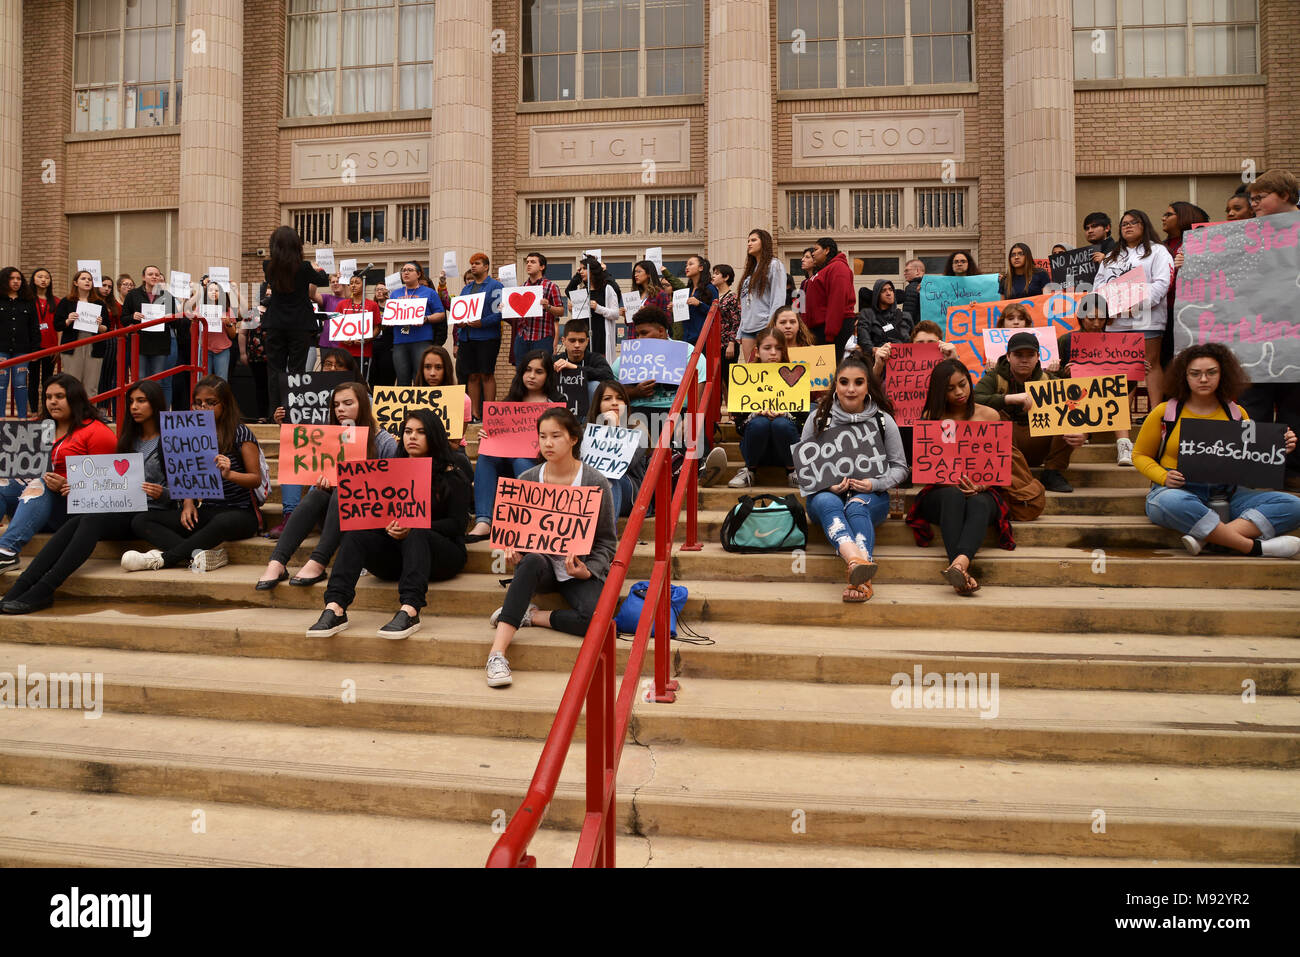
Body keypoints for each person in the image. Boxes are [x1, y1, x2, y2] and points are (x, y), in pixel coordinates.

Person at [1, 380, 174, 613]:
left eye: (141, 401)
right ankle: (19, 588)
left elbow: (186, 492)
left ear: (155, 404)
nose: (134, 406)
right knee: (77, 522)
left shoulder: (170, 440)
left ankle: (44, 589)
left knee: (90, 518)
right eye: (131, 401)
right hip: (123, 509)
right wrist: (80, 487)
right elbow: (108, 483)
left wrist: (162, 493)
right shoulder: (127, 440)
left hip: (153, 513)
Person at [307, 409, 472, 639]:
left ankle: (410, 610)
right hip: (395, 557)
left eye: (421, 432)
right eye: (408, 431)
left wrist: (414, 525)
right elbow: (372, 515)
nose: (412, 437)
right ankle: (335, 607)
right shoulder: (388, 472)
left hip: (442, 555)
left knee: (417, 528)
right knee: (355, 532)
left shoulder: (452, 474)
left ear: (433, 436)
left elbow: (457, 525)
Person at [485, 408, 618, 688]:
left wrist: (588, 571)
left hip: (577, 572)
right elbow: (515, 533)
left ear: (573, 439)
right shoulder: (528, 480)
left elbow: (607, 541)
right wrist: (512, 549)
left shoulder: (595, 482)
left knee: (598, 621)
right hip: (541, 568)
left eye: (556, 436)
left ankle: (530, 615)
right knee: (532, 560)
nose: (547, 443)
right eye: (542, 436)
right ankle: (497, 654)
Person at [1135, 343, 1300, 558]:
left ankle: (1205, 538)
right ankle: (1254, 547)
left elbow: (1251, 457)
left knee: (1293, 505)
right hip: (1178, 492)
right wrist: (1163, 476)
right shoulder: (1165, 412)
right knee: (1169, 503)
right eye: (1195, 374)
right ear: (1184, 377)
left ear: (1223, 375)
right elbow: (1139, 455)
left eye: (1211, 373)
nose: (1203, 379)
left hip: (1229, 494)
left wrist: (1279, 449)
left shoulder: (1237, 414)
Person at [257, 381, 400, 590]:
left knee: (344, 489)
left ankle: (318, 562)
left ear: (363, 405)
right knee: (317, 495)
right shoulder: (328, 438)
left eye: (348, 403)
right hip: (335, 516)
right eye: (336, 405)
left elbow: (394, 493)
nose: (340, 409)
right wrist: (323, 484)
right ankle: (277, 562)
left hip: (369, 520)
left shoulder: (384, 442)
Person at [122, 375, 262, 573]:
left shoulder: (240, 433)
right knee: (141, 521)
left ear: (225, 404)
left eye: (211, 403)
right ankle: (198, 555)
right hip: (207, 510)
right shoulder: (188, 434)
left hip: (240, 512)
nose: (203, 407)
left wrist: (230, 475)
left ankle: (164, 559)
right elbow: (185, 472)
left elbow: (256, 479)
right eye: (198, 403)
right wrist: (188, 502)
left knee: (221, 522)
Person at [798, 354, 909, 602]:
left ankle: (860, 574)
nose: (850, 389)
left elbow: (900, 468)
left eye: (858, 382)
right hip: (824, 499)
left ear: (868, 385)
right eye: (844, 382)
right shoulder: (818, 419)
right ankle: (857, 562)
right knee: (829, 502)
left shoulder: (883, 420)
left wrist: (875, 484)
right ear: (835, 385)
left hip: (871, 497)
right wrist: (827, 483)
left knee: (857, 506)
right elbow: (801, 471)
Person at [906, 359, 1013, 596]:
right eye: (951, 388)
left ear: (970, 380)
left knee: (978, 501)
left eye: (963, 384)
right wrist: (948, 479)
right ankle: (961, 567)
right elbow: (926, 469)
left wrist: (985, 482)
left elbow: (1001, 464)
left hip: (984, 493)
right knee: (953, 495)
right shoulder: (931, 418)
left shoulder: (991, 416)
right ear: (939, 392)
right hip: (942, 494)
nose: (959, 392)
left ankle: (958, 566)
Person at [0, 373, 117, 572]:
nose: (52, 402)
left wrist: (67, 485)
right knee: (4, 484)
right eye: (48, 397)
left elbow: (109, 486)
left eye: (59, 396)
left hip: (74, 513)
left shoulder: (98, 432)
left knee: (41, 482)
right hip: (34, 508)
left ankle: (7, 551)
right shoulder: (38, 428)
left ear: (75, 398)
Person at [610, 304, 726, 487]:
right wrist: (635, 391)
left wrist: (691, 416)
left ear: (662, 331)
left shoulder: (689, 353)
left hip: (678, 412)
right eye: (637, 334)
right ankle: (674, 470)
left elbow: (699, 388)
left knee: (690, 424)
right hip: (640, 414)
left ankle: (700, 467)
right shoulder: (626, 358)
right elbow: (611, 393)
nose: (639, 338)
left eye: (644, 333)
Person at [1238, 169, 1300, 490]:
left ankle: (1292, 471)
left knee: (1295, 407)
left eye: (1260, 198)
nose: (1254, 204)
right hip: (1255, 338)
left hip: (1295, 341)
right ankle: (1255, 470)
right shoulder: (1246, 235)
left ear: (1286, 196)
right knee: (1253, 405)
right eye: (1252, 199)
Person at [465, 349, 562, 542]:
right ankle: (484, 521)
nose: (532, 376)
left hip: (540, 468)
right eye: (528, 370)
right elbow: (499, 438)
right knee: (485, 454)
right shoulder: (510, 402)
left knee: (520, 460)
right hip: (505, 469)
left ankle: (529, 519)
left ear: (548, 375)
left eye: (539, 372)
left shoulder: (557, 403)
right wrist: (488, 436)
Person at [973, 329, 1084, 493]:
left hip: (1039, 442)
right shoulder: (994, 377)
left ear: (1038, 357)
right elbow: (974, 400)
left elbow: (1080, 405)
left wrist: (1083, 433)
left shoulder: (1048, 379)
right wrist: (1007, 399)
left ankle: (1052, 472)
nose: (1024, 360)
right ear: (1008, 356)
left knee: (1068, 415)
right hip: (1007, 445)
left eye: (1030, 355)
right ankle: (1007, 472)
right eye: (1018, 355)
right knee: (992, 416)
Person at [265, 348, 358, 539]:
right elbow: (297, 432)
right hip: (313, 452)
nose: (332, 369)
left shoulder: (361, 396)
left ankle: (302, 518)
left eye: (338, 366)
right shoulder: (305, 391)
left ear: (349, 370)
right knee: (291, 446)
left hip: (343, 453)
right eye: (328, 364)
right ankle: (290, 515)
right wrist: (284, 420)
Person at [1092, 208, 1174, 408]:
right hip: (1116, 321)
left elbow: (1162, 283)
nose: (1127, 226)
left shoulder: (1158, 251)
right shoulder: (1111, 256)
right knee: (1121, 369)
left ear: (1144, 225)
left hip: (1147, 318)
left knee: (1150, 365)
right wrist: (1104, 311)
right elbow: (1098, 284)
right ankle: (1121, 418)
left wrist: (1135, 305)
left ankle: (1156, 414)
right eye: (1124, 224)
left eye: (1133, 222)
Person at [1057, 294, 1138, 465]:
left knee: (1116, 393)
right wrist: (1066, 373)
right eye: (1091, 318)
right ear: (1081, 317)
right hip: (1076, 397)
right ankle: (1083, 434)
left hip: (1107, 396)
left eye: (1101, 319)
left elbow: (1128, 385)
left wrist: (1135, 370)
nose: (1096, 324)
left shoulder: (1117, 343)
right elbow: (1052, 380)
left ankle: (1124, 445)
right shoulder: (1066, 341)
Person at [261, 227, 329, 412]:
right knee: (297, 368)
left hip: (275, 323)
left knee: (275, 369)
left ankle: (274, 412)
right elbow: (323, 280)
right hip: (300, 323)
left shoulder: (268, 266)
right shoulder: (305, 267)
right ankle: (293, 411)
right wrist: (319, 268)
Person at [729, 328, 805, 489]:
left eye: (778, 348)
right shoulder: (744, 379)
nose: (773, 353)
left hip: (786, 449)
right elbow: (739, 428)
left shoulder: (796, 377)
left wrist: (785, 414)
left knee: (780, 423)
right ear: (757, 351)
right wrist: (754, 414)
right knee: (760, 423)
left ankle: (793, 472)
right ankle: (749, 471)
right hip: (756, 448)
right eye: (767, 348)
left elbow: (802, 426)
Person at [121, 265, 184, 407]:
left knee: (157, 381)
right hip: (140, 343)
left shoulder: (167, 296)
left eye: (156, 274)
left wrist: (171, 317)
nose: (154, 277)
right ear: (144, 277)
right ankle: (140, 409)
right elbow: (123, 318)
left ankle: (155, 413)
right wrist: (133, 316)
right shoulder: (133, 295)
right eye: (150, 274)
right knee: (140, 379)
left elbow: (176, 323)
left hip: (160, 343)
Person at [453, 252, 504, 422]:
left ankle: (489, 413)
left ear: (486, 266)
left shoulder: (496, 286)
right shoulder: (466, 289)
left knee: (487, 374)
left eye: (477, 263)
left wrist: (482, 322)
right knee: (472, 375)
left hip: (487, 337)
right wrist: (459, 322)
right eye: (472, 263)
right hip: (467, 337)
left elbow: (499, 313)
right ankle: (474, 414)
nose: (473, 266)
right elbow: (460, 312)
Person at [585, 380, 646, 517]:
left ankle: (607, 537)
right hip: (591, 488)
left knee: (609, 477)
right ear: (598, 404)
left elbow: (623, 465)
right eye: (607, 398)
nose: (614, 403)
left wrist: (615, 428)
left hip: (627, 490)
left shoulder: (638, 430)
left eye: (620, 398)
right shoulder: (584, 431)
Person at [387, 260, 446, 385]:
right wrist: (389, 320)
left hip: (422, 340)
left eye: (410, 270)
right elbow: (389, 315)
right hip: (400, 341)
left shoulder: (429, 292)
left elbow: (441, 314)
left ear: (418, 274)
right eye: (403, 270)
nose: (406, 273)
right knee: (402, 378)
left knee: (420, 378)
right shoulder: (395, 294)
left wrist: (426, 319)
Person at [54, 269, 110, 396]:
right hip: (73, 345)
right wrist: (68, 320)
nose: (87, 281)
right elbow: (57, 325)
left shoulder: (99, 303)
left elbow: (107, 328)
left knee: (92, 385)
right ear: (75, 283)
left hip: (94, 346)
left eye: (89, 279)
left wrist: (100, 326)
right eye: (83, 279)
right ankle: (73, 414)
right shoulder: (66, 301)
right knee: (73, 384)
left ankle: (90, 414)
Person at [736, 228, 786, 361]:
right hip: (747, 328)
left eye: (753, 240)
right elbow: (746, 305)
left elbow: (778, 298)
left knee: (767, 369)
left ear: (763, 242)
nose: (749, 244)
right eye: (748, 241)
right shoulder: (750, 271)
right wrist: (740, 330)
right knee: (750, 369)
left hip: (765, 325)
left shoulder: (775, 265)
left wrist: (772, 325)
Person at [803, 237, 855, 357]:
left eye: (816, 250)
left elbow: (837, 301)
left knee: (829, 369)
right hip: (820, 329)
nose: (813, 253)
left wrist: (830, 334)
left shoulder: (838, 268)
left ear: (826, 250)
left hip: (831, 329)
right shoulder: (821, 272)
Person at [0, 267, 39, 419]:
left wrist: (35, 349)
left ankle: (22, 417)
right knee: (1, 383)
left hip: (22, 349)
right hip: (1, 349)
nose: (16, 282)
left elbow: (34, 326)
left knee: (21, 383)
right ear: (4, 280)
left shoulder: (28, 301)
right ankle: (1, 417)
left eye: (19, 279)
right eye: (12, 278)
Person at [514, 252, 566, 364]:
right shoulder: (522, 288)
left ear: (542, 267)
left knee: (542, 369)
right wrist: (506, 307)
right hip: (522, 337)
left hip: (542, 337)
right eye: (527, 262)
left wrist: (548, 306)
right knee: (521, 371)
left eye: (533, 262)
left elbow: (561, 311)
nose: (528, 264)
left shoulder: (551, 286)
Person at [417, 344, 473, 448]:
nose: (432, 373)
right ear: (421, 369)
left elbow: (455, 445)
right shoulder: (410, 398)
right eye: (427, 367)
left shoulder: (463, 400)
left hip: (451, 452)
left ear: (446, 369)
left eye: (438, 367)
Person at [186, 277, 240, 380]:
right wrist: (194, 321)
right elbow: (192, 333)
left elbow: (233, 335)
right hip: (204, 348)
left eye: (217, 290)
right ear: (206, 293)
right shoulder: (199, 309)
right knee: (204, 380)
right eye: (210, 290)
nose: (214, 292)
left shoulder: (227, 310)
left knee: (222, 380)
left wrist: (228, 323)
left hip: (222, 350)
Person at [870, 320, 959, 382]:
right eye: (920, 343)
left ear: (941, 344)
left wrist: (954, 362)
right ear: (911, 345)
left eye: (931, 343)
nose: (925, 348)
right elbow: (873, 393)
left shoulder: (947, 366)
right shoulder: (898, 371)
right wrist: (878, 367)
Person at [855, 278, 913, 358]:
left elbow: (915, 339)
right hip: (880, 361)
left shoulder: (905, 316)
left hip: (905, 363)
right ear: (877, 295)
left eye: (891, 289)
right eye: (883, 291)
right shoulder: (868, 315)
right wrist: (875, 350)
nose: (888, 293)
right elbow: (863, 340)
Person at [28, 268, 59, 412]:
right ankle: (34, 410)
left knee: (47, 381)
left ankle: (45, 411)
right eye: (40, 276)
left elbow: (59, 327)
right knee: (33, 380)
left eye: (47, 277)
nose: (43, 280)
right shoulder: (28, 300)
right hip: (33, 347)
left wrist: (58, 347)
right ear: (33, 280)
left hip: (51, 347)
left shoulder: (56, 301)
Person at [552, 316, 613, 386]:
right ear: (563, 341)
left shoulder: (595, 358)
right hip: (563, 395)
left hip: (588, 396)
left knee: (594, 385)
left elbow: (609, 376)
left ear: (587, 341)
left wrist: (575, 368)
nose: (577, 345)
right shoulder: (556, 360)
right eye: (572, 341)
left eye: (581, 341)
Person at [712, 263, 741, 395]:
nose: (713, 276)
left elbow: (736, 321)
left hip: (727, 344)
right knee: (717, 380)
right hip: (715, 343)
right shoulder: (713, 297)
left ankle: (733, 413)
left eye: (717, 273)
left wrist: (731, 343)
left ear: (726, 277)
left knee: (728, 378)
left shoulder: (733, 297)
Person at [681, 254, 716, 346]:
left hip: (704, 339)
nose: (687, 267)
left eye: (691, 264)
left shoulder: (710, 288)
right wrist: (676, 307)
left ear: (701, 268)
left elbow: (716, 314)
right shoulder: (687, 290)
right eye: (686, 265)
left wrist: (699, 304)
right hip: (687, 338)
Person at [899, 258, 924, 326]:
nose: (904, 273)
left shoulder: (911, 287)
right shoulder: (930, 287)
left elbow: (908, 315)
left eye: (907, 270)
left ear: (917, 271)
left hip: (916, 329)